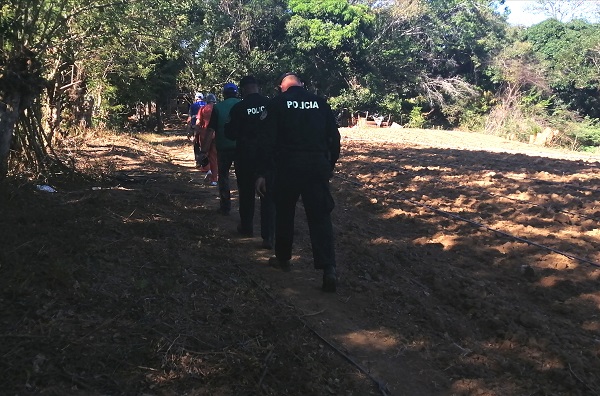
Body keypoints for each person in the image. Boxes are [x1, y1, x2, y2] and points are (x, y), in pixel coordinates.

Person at [255, 72, 341, 292]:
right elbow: (335, 139)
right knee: (320, 217)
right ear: (301, 85)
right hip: (316, 168)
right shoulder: (320, 103)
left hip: (287, 168)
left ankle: (283, 259)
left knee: (285, 214)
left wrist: (264, 172)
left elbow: (266, 141)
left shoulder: (277, 104)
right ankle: (328, 268)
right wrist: (327, 166)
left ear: (282, 87)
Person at [224, 75, 275, 248]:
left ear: (243, 89)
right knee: (267, 196)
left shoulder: (239, 108)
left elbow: (230, 133)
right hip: (268, 157)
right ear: (257, 86)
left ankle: (247, 227)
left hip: (245, 156)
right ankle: (268, 236)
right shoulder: (270, 104)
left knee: (246, 193)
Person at [206, 83, 241, 214]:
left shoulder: (218, 108)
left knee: (224, 176)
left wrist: (204, 149)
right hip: (241, 148)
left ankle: (225, 206)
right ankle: (245, 205)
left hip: (223, 147)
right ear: (237, 93)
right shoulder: (242, 105)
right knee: (241, 177)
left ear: (224, 94)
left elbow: (210, 130)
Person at [196, 94, 218, 181]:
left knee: (205, 154)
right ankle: (214, 178)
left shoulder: (203, 109)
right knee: (214, 156)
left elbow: (198, 122)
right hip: (216, 134)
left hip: (204, 135)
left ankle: (208, 170)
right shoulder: (217, 109)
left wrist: (195, 133)